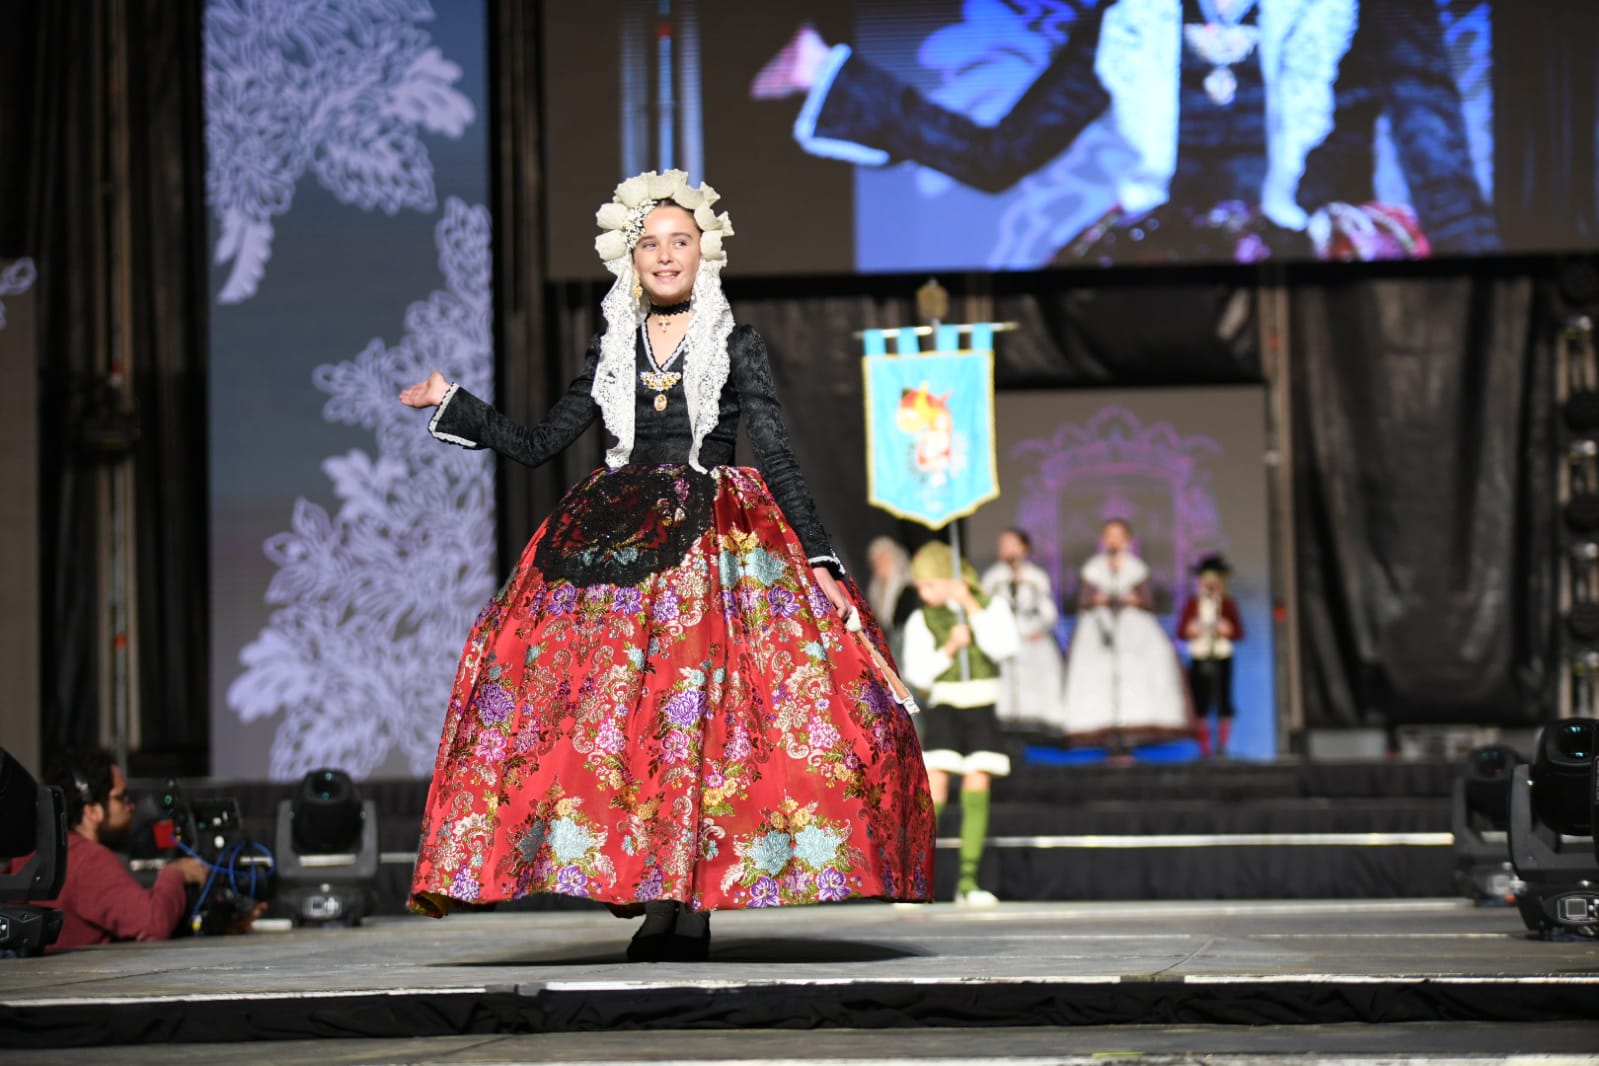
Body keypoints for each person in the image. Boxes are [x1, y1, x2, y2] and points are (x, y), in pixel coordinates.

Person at [399, 170, 934, 961]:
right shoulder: (611, 344)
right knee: (623, 721)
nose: (663, 255)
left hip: (711, 542)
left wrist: (819, 555)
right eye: (648, 243)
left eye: (678, 241)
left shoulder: (735, 342)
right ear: (629, 256)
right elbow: (544, 443)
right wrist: (456, 403)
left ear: (703, 253)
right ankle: (654, 892)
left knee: (700, 720)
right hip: (615, 535)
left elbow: (777, 454)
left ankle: (688, 902)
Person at [750, 0, 1497, 263]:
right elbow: (999, 155)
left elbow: (1442, 175)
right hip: (1171, 258)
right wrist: (826, 71)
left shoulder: (1369, 9)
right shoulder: (1132, 19)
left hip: (1317, 249)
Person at [899, 541, 1019, 906]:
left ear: (950, 580)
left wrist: (971, 609)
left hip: (981, 705)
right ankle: (916, 880)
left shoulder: (990, 607)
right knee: (936, 786)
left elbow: (1005, 648)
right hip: (945, 707)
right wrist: (950, 648)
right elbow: (918, 675)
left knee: (977, 781)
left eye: (930, 585)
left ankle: (968, 881)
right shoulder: (923, 619)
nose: (923, 594)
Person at [8, 749, 208, 950]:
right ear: (92, 811)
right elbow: (153, 922)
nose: (131, 807)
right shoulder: (88, 860)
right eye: (122, 798)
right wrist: (177, 873)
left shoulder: (28, 854)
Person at [1059, 519, 1192, 748]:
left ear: (1128, 540)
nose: (1113, 540)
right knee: (1096, 676)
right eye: (1109, 535)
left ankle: (1131, 734)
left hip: (1133, 630)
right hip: (1100, 628)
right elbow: (1083, 601)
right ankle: (1106, 734)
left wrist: (1135, 600)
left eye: (1118, 535)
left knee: (1135, 676)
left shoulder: (1136, 567)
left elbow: (1148, 601)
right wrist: (1095, 600)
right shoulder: (1093, 567)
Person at [981, 528, 1066, 732]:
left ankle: (1037, 727)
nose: (1007, 549)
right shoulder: (993, 577)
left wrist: (1041, 628)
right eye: (1003, 545)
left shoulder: (1036, 576)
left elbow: (1048, 610)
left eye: (1012, 544)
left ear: (1024, 547)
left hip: (1031, 638)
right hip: (1003, 640)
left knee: (1036, 682)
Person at [1178, 553, 1246, 757]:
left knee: (1224, 701)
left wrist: (1228, 629)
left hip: (1222, 656)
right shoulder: (1192, 604)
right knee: (1200, 703)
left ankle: (1222, 748)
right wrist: (1193, 630)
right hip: (1199, 657)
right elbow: (1181, 632)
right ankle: (1205, 750)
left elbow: (1239, 633)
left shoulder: (1227, 604)